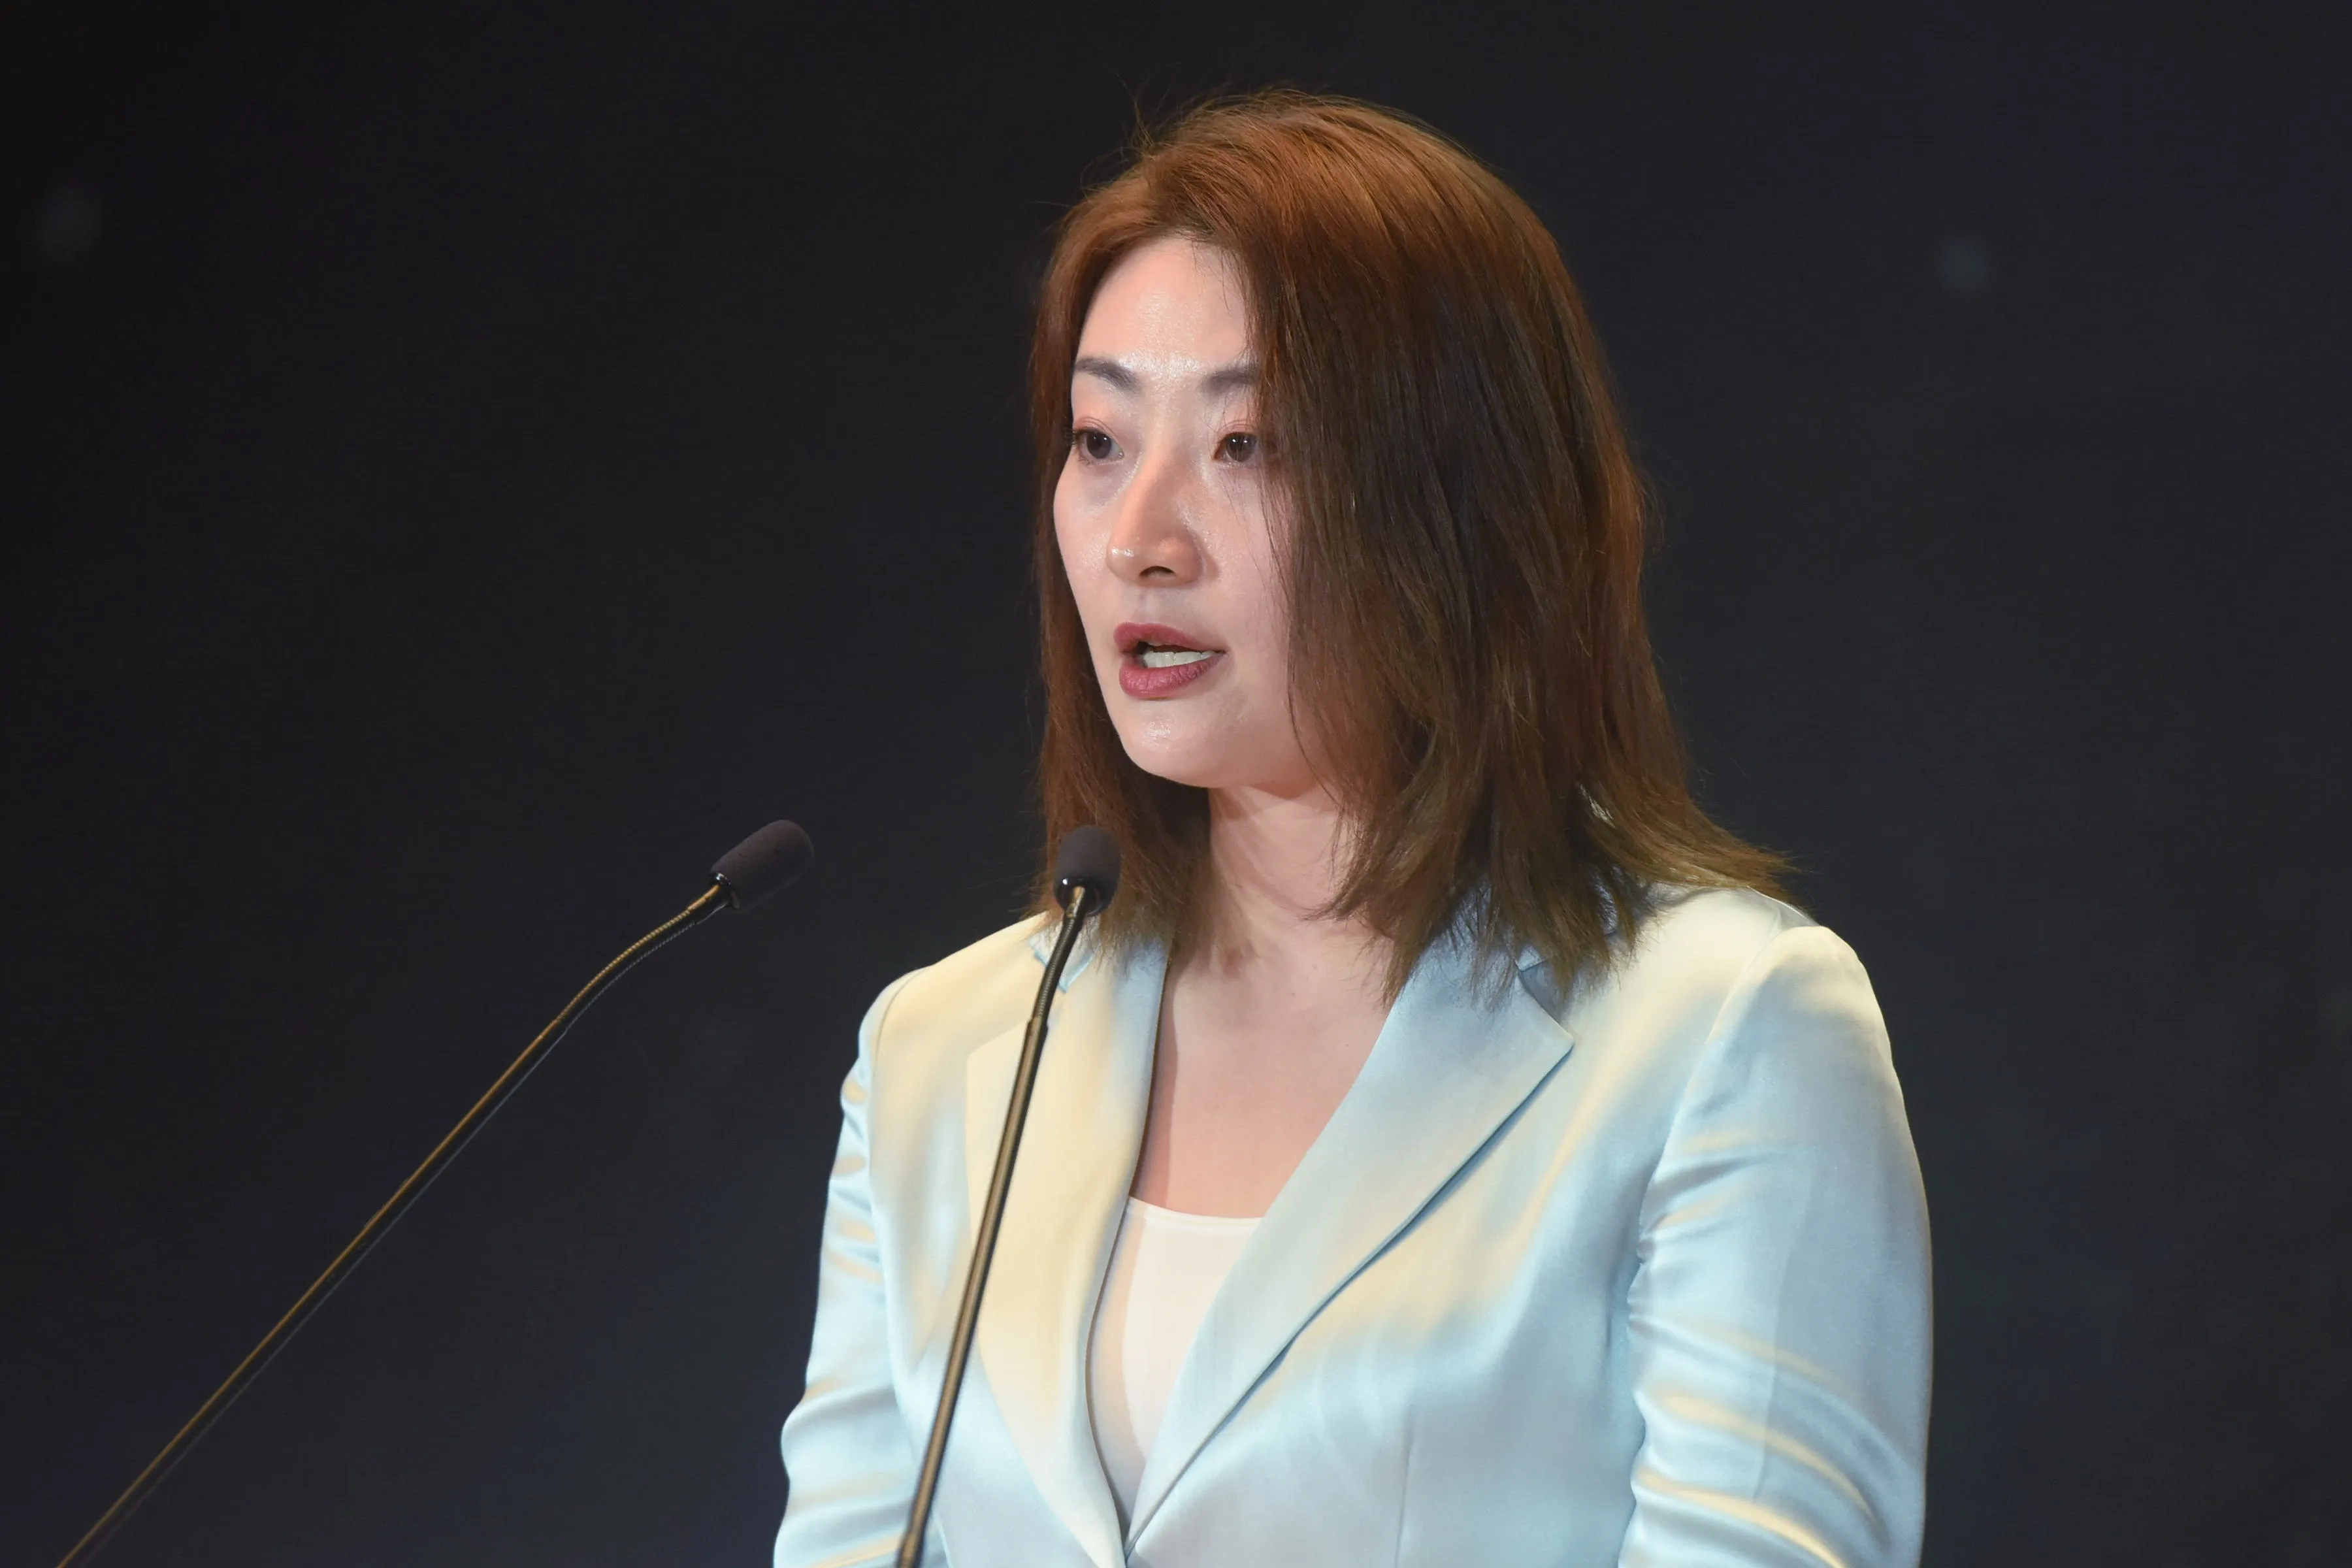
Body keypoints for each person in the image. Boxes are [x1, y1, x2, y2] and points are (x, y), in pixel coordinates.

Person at [775, 92, 1930, 1568]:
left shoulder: (1724, 1029)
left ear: (1464, 501)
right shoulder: (940, 1056)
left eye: (1247, 444)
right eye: (1101, 438)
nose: (1139, 538)